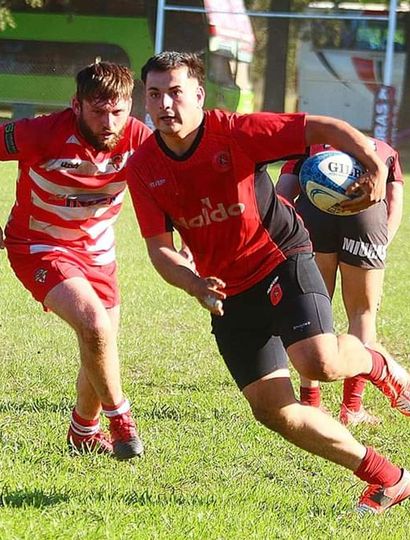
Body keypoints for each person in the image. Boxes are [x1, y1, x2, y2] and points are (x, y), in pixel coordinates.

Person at [126, 51, 410, 514]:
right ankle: (389, 478)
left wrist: (373, 166)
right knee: (274, 410)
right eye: (154, 94)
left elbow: (322, 127)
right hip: (227, 292)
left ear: (198, 94)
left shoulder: (234, 132)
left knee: (318, 362)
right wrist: (194, 285)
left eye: (175, 92)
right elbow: (159, 249)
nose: (164, 104)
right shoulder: (143, 166)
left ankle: (375, 363)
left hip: (281, 258)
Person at [0, 61, 151, 460]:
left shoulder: (139, 138)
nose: (108, 122)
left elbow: (171, 189)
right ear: (76, 105)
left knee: (101, 342)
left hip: (99, 253)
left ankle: (84, 432)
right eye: (98, 111)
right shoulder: (40, 132)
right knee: (95, 325)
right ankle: (123, 422)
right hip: (37, 246)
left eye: (117, 111)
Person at [276, 140, 404, 426]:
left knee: (311, 310)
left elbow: (282, 195)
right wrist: (382, 241)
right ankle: (352, 408)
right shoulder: (384, 150)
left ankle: (310, 402)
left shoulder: (307, 148)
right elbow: (394, 201)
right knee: (362, 315)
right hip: (366, 214)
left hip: (313, 214)